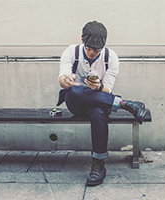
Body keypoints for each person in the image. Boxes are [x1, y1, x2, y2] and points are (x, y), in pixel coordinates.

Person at [56, 21, 147, 186]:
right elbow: (62, 78)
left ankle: (98, 164)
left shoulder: (110, 57)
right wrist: (67, 80)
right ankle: (126, 104)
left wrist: (99, 86)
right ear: (82, 39)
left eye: (96, 49)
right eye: (89, 48)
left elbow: (108, 89)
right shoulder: (72, 51)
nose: (92, 52)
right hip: (75, 103)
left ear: (103, 46)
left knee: (98, 110)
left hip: (100, 102)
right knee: (74, 90)